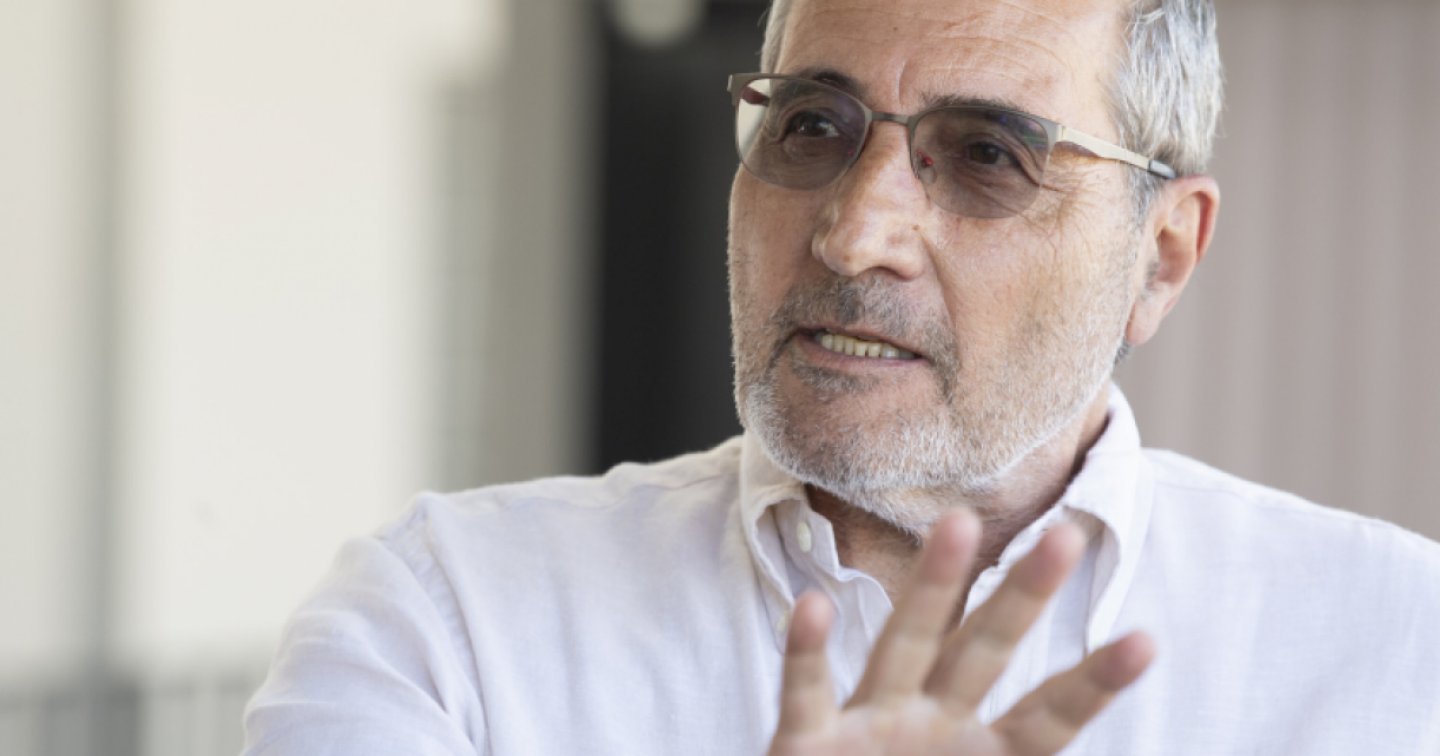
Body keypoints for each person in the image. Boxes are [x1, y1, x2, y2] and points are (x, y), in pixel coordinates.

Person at [243, 0, 1440, 753]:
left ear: (1162, 255)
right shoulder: (447, 627)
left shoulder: (1397, 648)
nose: (856, 233)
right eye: (812, 126)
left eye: (988, 155)